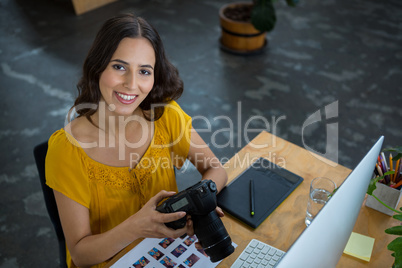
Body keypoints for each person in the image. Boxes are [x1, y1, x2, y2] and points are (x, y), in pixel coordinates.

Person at [45, 13, 228, 268]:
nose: (132, 85)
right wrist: (136, 227)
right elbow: (81, 255)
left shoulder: (166, 116)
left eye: (144, 71)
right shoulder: (66, 150)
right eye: (119, 67)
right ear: (98, 66)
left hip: (169, 252)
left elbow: (216, 169)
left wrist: (197, 203)